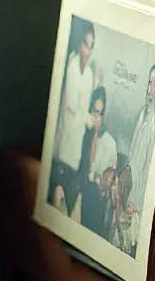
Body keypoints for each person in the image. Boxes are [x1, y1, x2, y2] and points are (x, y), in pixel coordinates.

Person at [50, 22, 96, 214]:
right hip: (62, 151)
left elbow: (84, 112)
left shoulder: (89, 75)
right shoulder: (71, 67)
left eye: (91, 46)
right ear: (79, 44)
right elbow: (73, 107)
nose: (88, 51)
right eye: (86, 44)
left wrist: (92, 122)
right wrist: (86, 117)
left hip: (75, 155)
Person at [74, 86, 118, 238]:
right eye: (94, 112)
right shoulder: (83, 136)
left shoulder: (110, 143)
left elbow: (108, 177)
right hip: (81, 190)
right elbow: (84, 172)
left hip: (97, 196)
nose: (96, 118)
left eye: (100, 113)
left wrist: (96, 133)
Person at [128, 63, 155, 211]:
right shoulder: (142, 114)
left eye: (153, 84)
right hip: (129, 186)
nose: (150, 89)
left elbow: (149, 163)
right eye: (149, 83)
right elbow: (132, 152)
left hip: (140, 195)